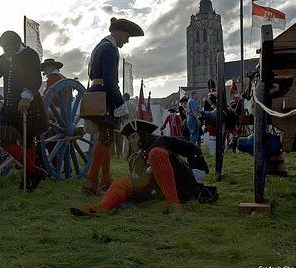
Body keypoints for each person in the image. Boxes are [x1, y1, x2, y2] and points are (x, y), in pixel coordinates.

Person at [70, 120, 217, 216]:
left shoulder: (160, 141)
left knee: (156, 154)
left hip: (182, 184)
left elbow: (192, 149)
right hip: (157, 189)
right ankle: (102, 208)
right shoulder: (134, 158)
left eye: (134, 137)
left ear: (143, 135)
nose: (131, 141)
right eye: (129, 139)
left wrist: (197, 173)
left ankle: (175, 206)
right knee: (123, 181)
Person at [0, 31, 48, 191]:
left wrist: (26, 96)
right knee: (6, 141)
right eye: (3, 47)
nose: (5, 50)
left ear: (17, 42)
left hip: (28, 105)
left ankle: (28, 178)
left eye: (7, 46)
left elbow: (36, 78)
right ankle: (35, 172)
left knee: (28, 140)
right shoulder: (4, 58)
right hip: (10, 106)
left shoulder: (30, 55)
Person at [82, 17, 144, 195]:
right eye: (126, 36)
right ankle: (91, 181)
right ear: (119, 32)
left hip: (95, 92)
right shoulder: (110, 49)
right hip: (105, 96)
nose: (127, 40)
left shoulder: (100, 46)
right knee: (106, 138)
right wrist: (119, 103)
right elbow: (110, 80)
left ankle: (106, 179)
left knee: (106, 139)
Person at [121, 92, 137, 159]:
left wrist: (122, 120)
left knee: (126, 140)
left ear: (124, 97)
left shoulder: (124, 104)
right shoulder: (132, 104)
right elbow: (136, 114)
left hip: (127, 123)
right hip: (133, 123)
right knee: (133, 140)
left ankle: (125, 155)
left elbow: (124, 115)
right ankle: (133, 153)